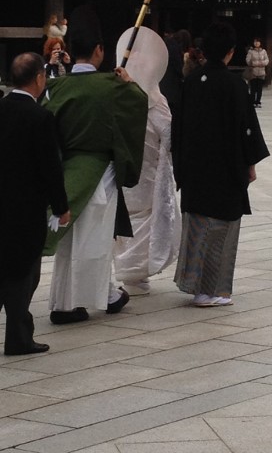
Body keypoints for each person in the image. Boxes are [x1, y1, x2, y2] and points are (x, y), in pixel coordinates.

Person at [43, 19, 148, 324]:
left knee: (69, 240)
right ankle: (94, 298)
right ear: (100, 50)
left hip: (65, 170)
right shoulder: (112, 85)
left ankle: (69, 301)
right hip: (100, 171)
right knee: (95, 240)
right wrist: (128, 83)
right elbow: (138, 106)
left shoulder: (55, 86)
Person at [173, 22, 269, 307]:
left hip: (194, 168)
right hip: (225, 169)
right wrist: (250, 164)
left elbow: (178, 129)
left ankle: (191, 282)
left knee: (196, 226)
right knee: (219, 229)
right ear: (230, 52)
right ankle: (209, 289)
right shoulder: (235, 85)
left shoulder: (190, 82)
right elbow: (246, 130)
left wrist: (180, 166)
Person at [0, 53, 70, 355]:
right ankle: (18, 336)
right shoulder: (40, 117)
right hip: (25, 208)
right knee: (23, 273)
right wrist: (62, 206)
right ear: (40, 78)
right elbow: (50, 168)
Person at [113, 27, 181, 295]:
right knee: (139, 218)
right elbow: (170, 134)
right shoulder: (155, 100)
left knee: (129, 218)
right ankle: (135, 274)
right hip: (145, 169)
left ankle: (130, 273)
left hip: (128, 171)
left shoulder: (119, 97)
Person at [246, 37, 269, 107]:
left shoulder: (264, 51)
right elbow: (248, 61)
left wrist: (260, 63)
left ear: (260, 43)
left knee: (259, 89)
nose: (256, 43)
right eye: (255, 42)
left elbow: (267, 61)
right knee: (253, 89)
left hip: (261, 73)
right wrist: (257, 63)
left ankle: (258, 101)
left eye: (258, 42)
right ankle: (252, 102)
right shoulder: (251, 51)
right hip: (253, 73)